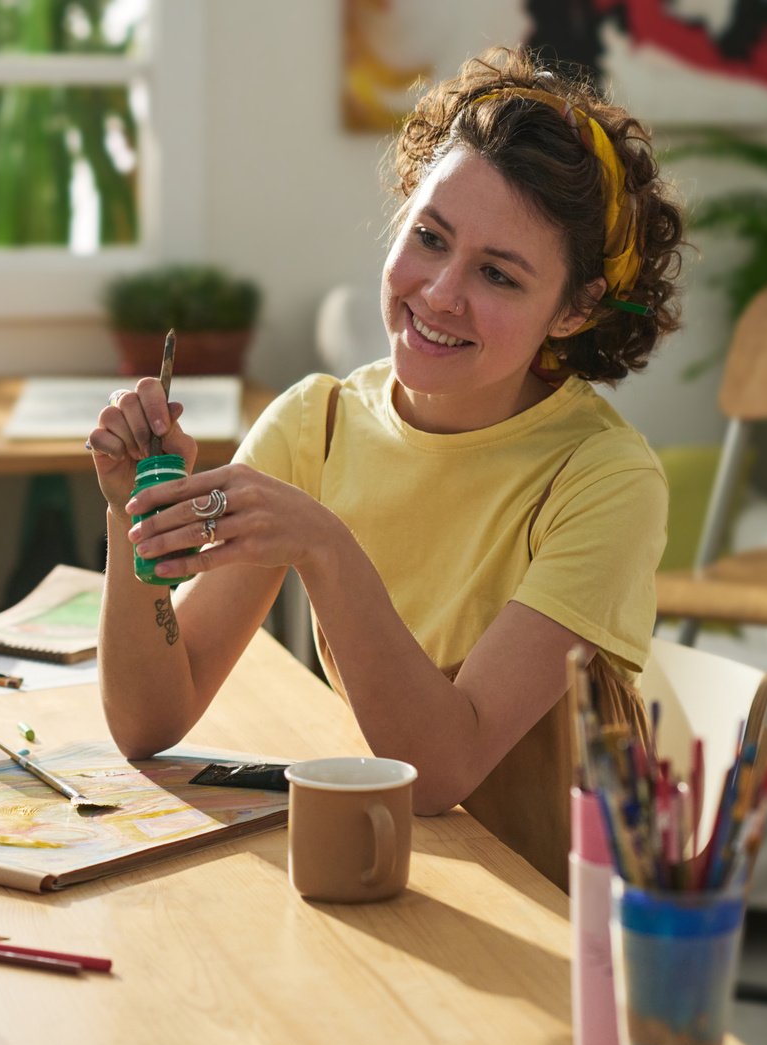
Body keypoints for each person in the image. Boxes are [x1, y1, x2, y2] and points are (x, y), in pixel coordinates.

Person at [87, 48, 683, 873]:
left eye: (499, 276)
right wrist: (132, 516)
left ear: (575, 308)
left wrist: (326, 547)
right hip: (394, 862)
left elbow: (442, 768)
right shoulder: (318, 424)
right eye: (430, 237)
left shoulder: (605, 479)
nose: (440, 292)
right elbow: (152, 717)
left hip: (548, 921)